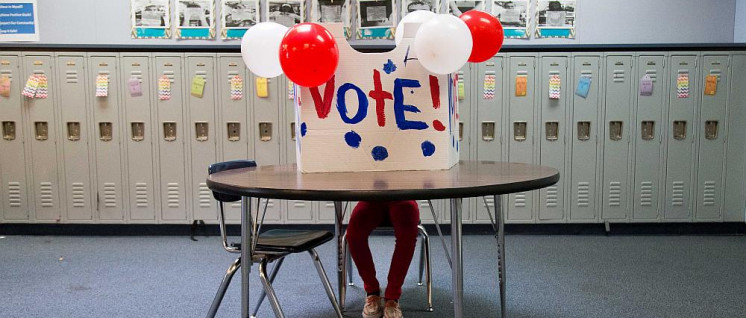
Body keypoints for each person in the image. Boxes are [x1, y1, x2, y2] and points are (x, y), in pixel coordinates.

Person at [346, 200, 420, 318]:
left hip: (403, 197)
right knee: (354, 234)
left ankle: (392, 296)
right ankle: (372, 291)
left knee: (407, 235)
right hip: (371, 198)